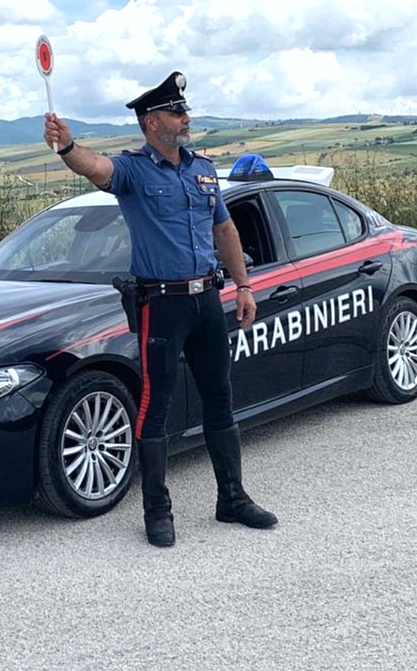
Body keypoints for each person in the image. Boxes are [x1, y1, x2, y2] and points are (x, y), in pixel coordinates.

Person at [43, 72, 277, 547]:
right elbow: (95, 169)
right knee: (157, 404)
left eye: (184, 111)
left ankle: (231, 498)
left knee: (220, 396)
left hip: (208, 299)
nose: (185, 118)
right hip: (163, 305)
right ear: (152, 123)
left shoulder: (203, 169)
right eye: (176, 112)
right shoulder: (134, 171)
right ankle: (157, 511)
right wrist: (68, 146)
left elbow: (225, 232)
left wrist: (244, 286)